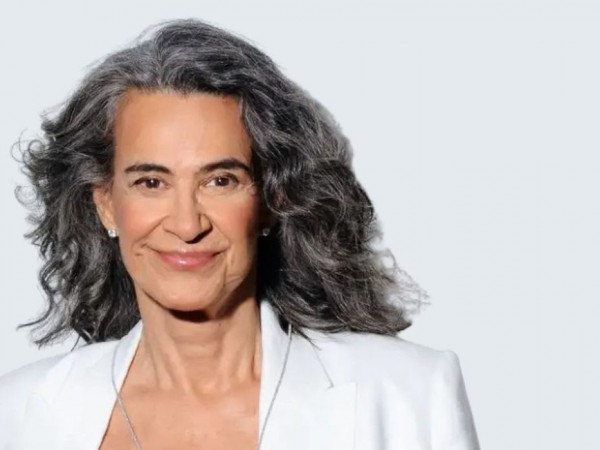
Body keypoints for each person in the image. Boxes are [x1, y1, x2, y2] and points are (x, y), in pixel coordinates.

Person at [0, 18, 480, 449]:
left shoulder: (408, 396)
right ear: (105, 203)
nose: (187, 224)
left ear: (270, 200)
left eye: (220, 181)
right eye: (151, 182)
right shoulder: (19, 414)